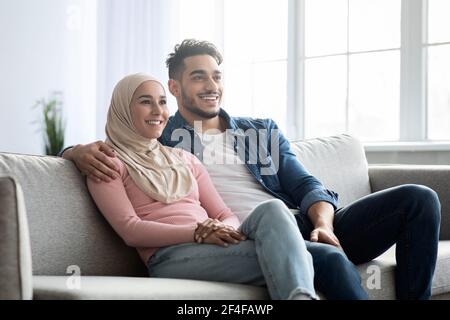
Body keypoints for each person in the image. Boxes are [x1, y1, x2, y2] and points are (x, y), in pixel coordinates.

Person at [63, 40, 441, 300]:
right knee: (312, 253)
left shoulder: (259, 130)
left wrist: (323, 223)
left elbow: (306, 184)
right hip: (251, 236)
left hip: (306, 225)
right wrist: (73, 151)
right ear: (175, 88)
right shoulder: (167, 139)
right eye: (198, 77)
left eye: (216, 76)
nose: (212, 86)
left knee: (419, 199)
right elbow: (125, 143)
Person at [86, 73, 318, 300]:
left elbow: (225, 214)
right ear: (123, 109)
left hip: (215, 244)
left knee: (274, 208)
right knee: (298, 259)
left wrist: (221, 229)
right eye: (146, 102)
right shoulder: (106, 163)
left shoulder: (185, 159)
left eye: (162, 102)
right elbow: (130, 230)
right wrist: (197, 233)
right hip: (169, 256)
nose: (158, 111)